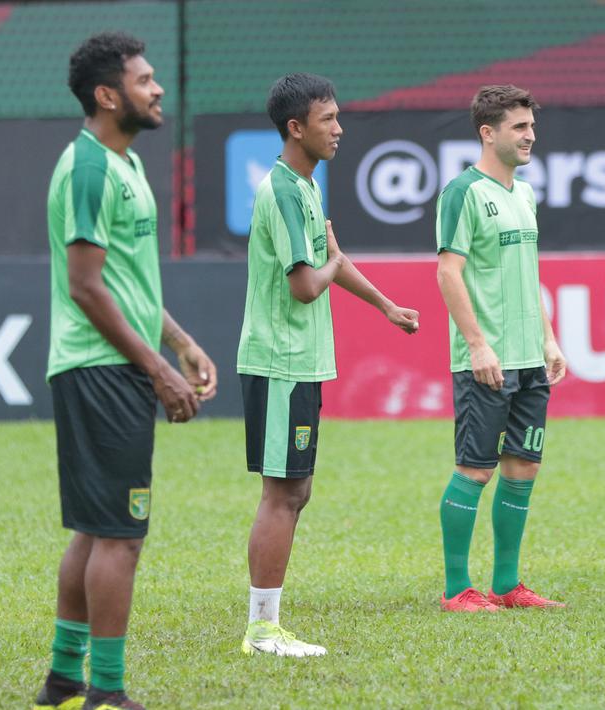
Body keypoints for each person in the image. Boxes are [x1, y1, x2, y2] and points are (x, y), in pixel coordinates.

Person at [34, 32, 217, 710]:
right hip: (101, 368)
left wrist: (179, 343)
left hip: (112, 364)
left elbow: (125, 282)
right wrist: (156, 372)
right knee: (121, 535)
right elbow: (86, 286)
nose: (157, 87)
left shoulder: (124, 164)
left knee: (95, 526)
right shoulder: (87, 167)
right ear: (109, 95)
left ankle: (63, 676)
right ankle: (106, 690)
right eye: (143, 80)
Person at [237, 73, 419, 656]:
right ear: (297, 128)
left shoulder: (306, 187)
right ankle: (263, 628)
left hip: (299, 362)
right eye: (328, 119)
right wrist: (334, 262)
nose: (340, 128)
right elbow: (305, 285)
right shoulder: (287, 191)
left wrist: (385, 304)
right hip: (281, 361)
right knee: (283, 492)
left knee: (296, 489)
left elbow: (330, 264)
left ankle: (267, 621)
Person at [434, 85, 567, 613]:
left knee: (523, 466)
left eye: (531, 126)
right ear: (488, 133)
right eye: (519, 126)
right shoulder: (462, 192)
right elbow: (448, 272)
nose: (531, 135)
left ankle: (507, 585)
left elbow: (528, 274)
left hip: (529, 358)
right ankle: (455, 589)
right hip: (485, 360)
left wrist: (549, 339)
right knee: (475, 469)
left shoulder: (525, 193)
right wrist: (478, 345)